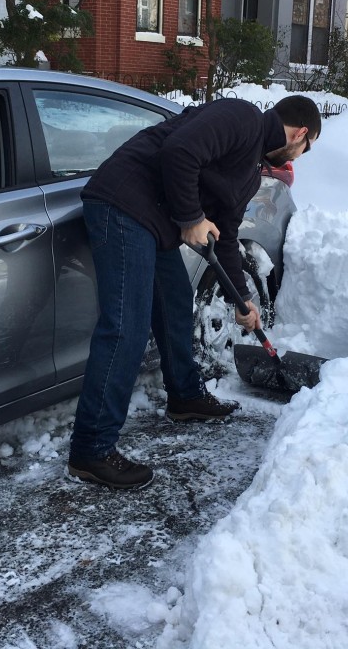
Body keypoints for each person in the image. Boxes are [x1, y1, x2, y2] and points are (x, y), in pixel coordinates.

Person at [67, 94, 322, 489]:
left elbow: (226, 237)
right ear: (301, 133)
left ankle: (185, 397)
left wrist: (243, 300)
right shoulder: (242, 117)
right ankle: (92, 449)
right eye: (306, 149)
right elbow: (180, 150)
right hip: (123, 204)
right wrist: (191, 217)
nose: (299, 156)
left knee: (174, 307)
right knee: (125, 328)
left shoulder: (250, 170)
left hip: (154, 222)